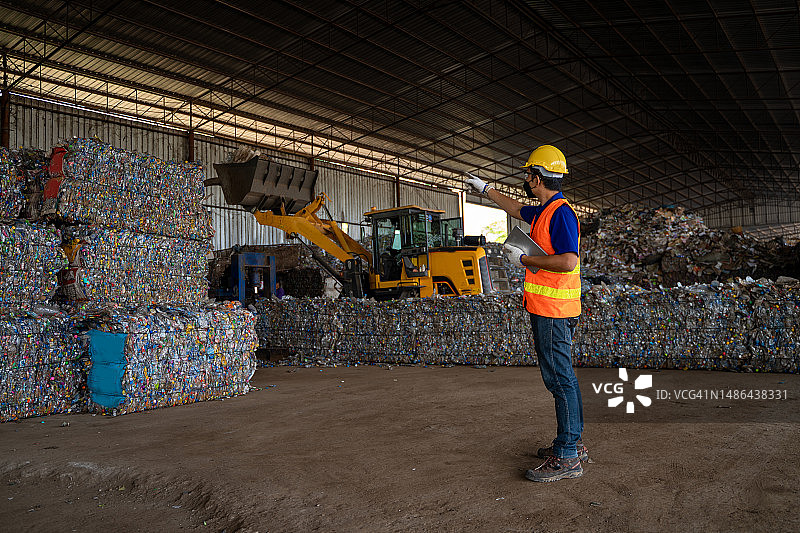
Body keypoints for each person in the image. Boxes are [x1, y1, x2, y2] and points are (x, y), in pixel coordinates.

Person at [464, 145, 586, 483]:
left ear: (537, 177)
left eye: (528, 174)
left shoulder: (560, 213)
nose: (526, 180)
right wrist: (485, 190)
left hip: (553, 310)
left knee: (560, 379)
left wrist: (524, 261)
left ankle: (568, 454)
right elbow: (517, 209)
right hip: (550, 308)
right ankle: (571, 442)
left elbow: (568, 261)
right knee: (563, 377)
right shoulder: (546, 209)